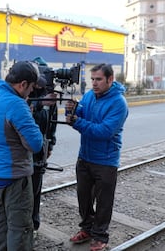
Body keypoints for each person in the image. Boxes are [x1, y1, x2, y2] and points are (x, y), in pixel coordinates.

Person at [0, 61, 44, 251]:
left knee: (0, 221)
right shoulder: (16, 105)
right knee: (20, 227)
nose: (31, 93)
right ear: (22, 84)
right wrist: (28, 118)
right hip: (14, 177)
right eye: (31, 87)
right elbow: (35, 144)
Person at [65, 63, 128, 251]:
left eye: (98, 79)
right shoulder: (89, 96)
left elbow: (104, 132)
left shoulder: (119, 103)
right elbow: (80, 117)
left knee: (103, 202)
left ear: (110, 79)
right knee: (83, 198)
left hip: (106, 161)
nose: (94, 83)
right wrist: (73, 111)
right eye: (92, 79)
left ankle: (100, 237)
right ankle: (87, 229)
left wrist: (77, 121)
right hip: (84, 157)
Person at [28, 76, 58, 233]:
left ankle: (34, 222)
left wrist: (51, 143)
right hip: (26, 149)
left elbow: (53, 121)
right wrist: (39, 104)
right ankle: (24, 223)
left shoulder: (49, 96)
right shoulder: (26, 93)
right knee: (26, 189)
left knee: (36, 186)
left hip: (41, 149)